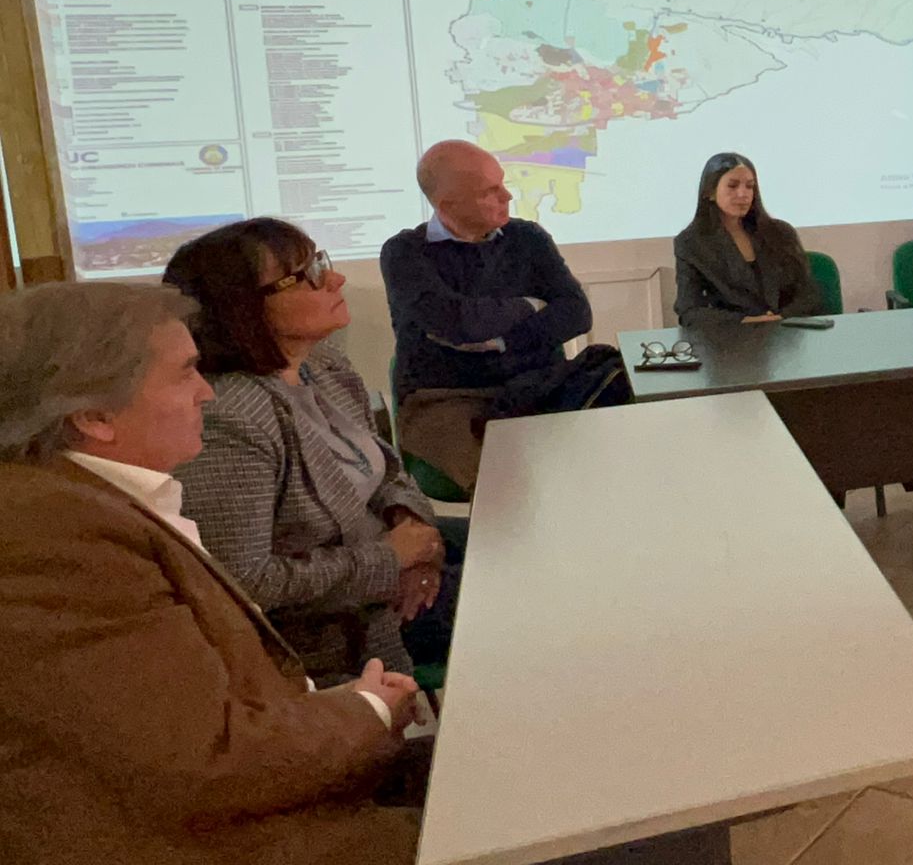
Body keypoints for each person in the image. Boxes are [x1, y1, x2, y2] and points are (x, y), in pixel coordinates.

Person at [0, 282, 425, 865]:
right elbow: (206, 763)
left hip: (264, 795)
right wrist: (368, 712)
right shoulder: (55, 539)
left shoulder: (85, 504)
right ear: (95, 416)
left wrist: (342, 706)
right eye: (184, 375)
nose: (207, 392)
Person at [165, 218, 460, 688]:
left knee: (521, 555)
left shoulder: (323, 364)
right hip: (336, 632)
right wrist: (390, 560)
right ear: (241, 307)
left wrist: (417, 535)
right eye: (306, 275)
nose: (335, 279)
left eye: (320, 262)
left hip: (392, 569)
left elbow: (387, 471)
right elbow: (245, 582)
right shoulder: (230, 418)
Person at [381, 139, 626, 492]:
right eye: (490, 191)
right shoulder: (404, 253)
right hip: (447, 399)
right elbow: (460, 323)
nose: (507, 196)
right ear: (448, 205)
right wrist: (532, 305)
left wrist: (503, 341)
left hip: (540, 387)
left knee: (610, 455)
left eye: (502, 183)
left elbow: (576, 313)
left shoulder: (527, 237)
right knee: (509, 487)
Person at [673, 152, 825, 326]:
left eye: (750, 186)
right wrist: (748, 321)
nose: (743, 194)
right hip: (732, 336)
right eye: (732, 186)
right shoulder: (691, 243)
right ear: (710, 192)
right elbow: (689, 311)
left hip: (787, 330)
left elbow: (809, 295)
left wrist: (780, 318)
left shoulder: (781, 233)